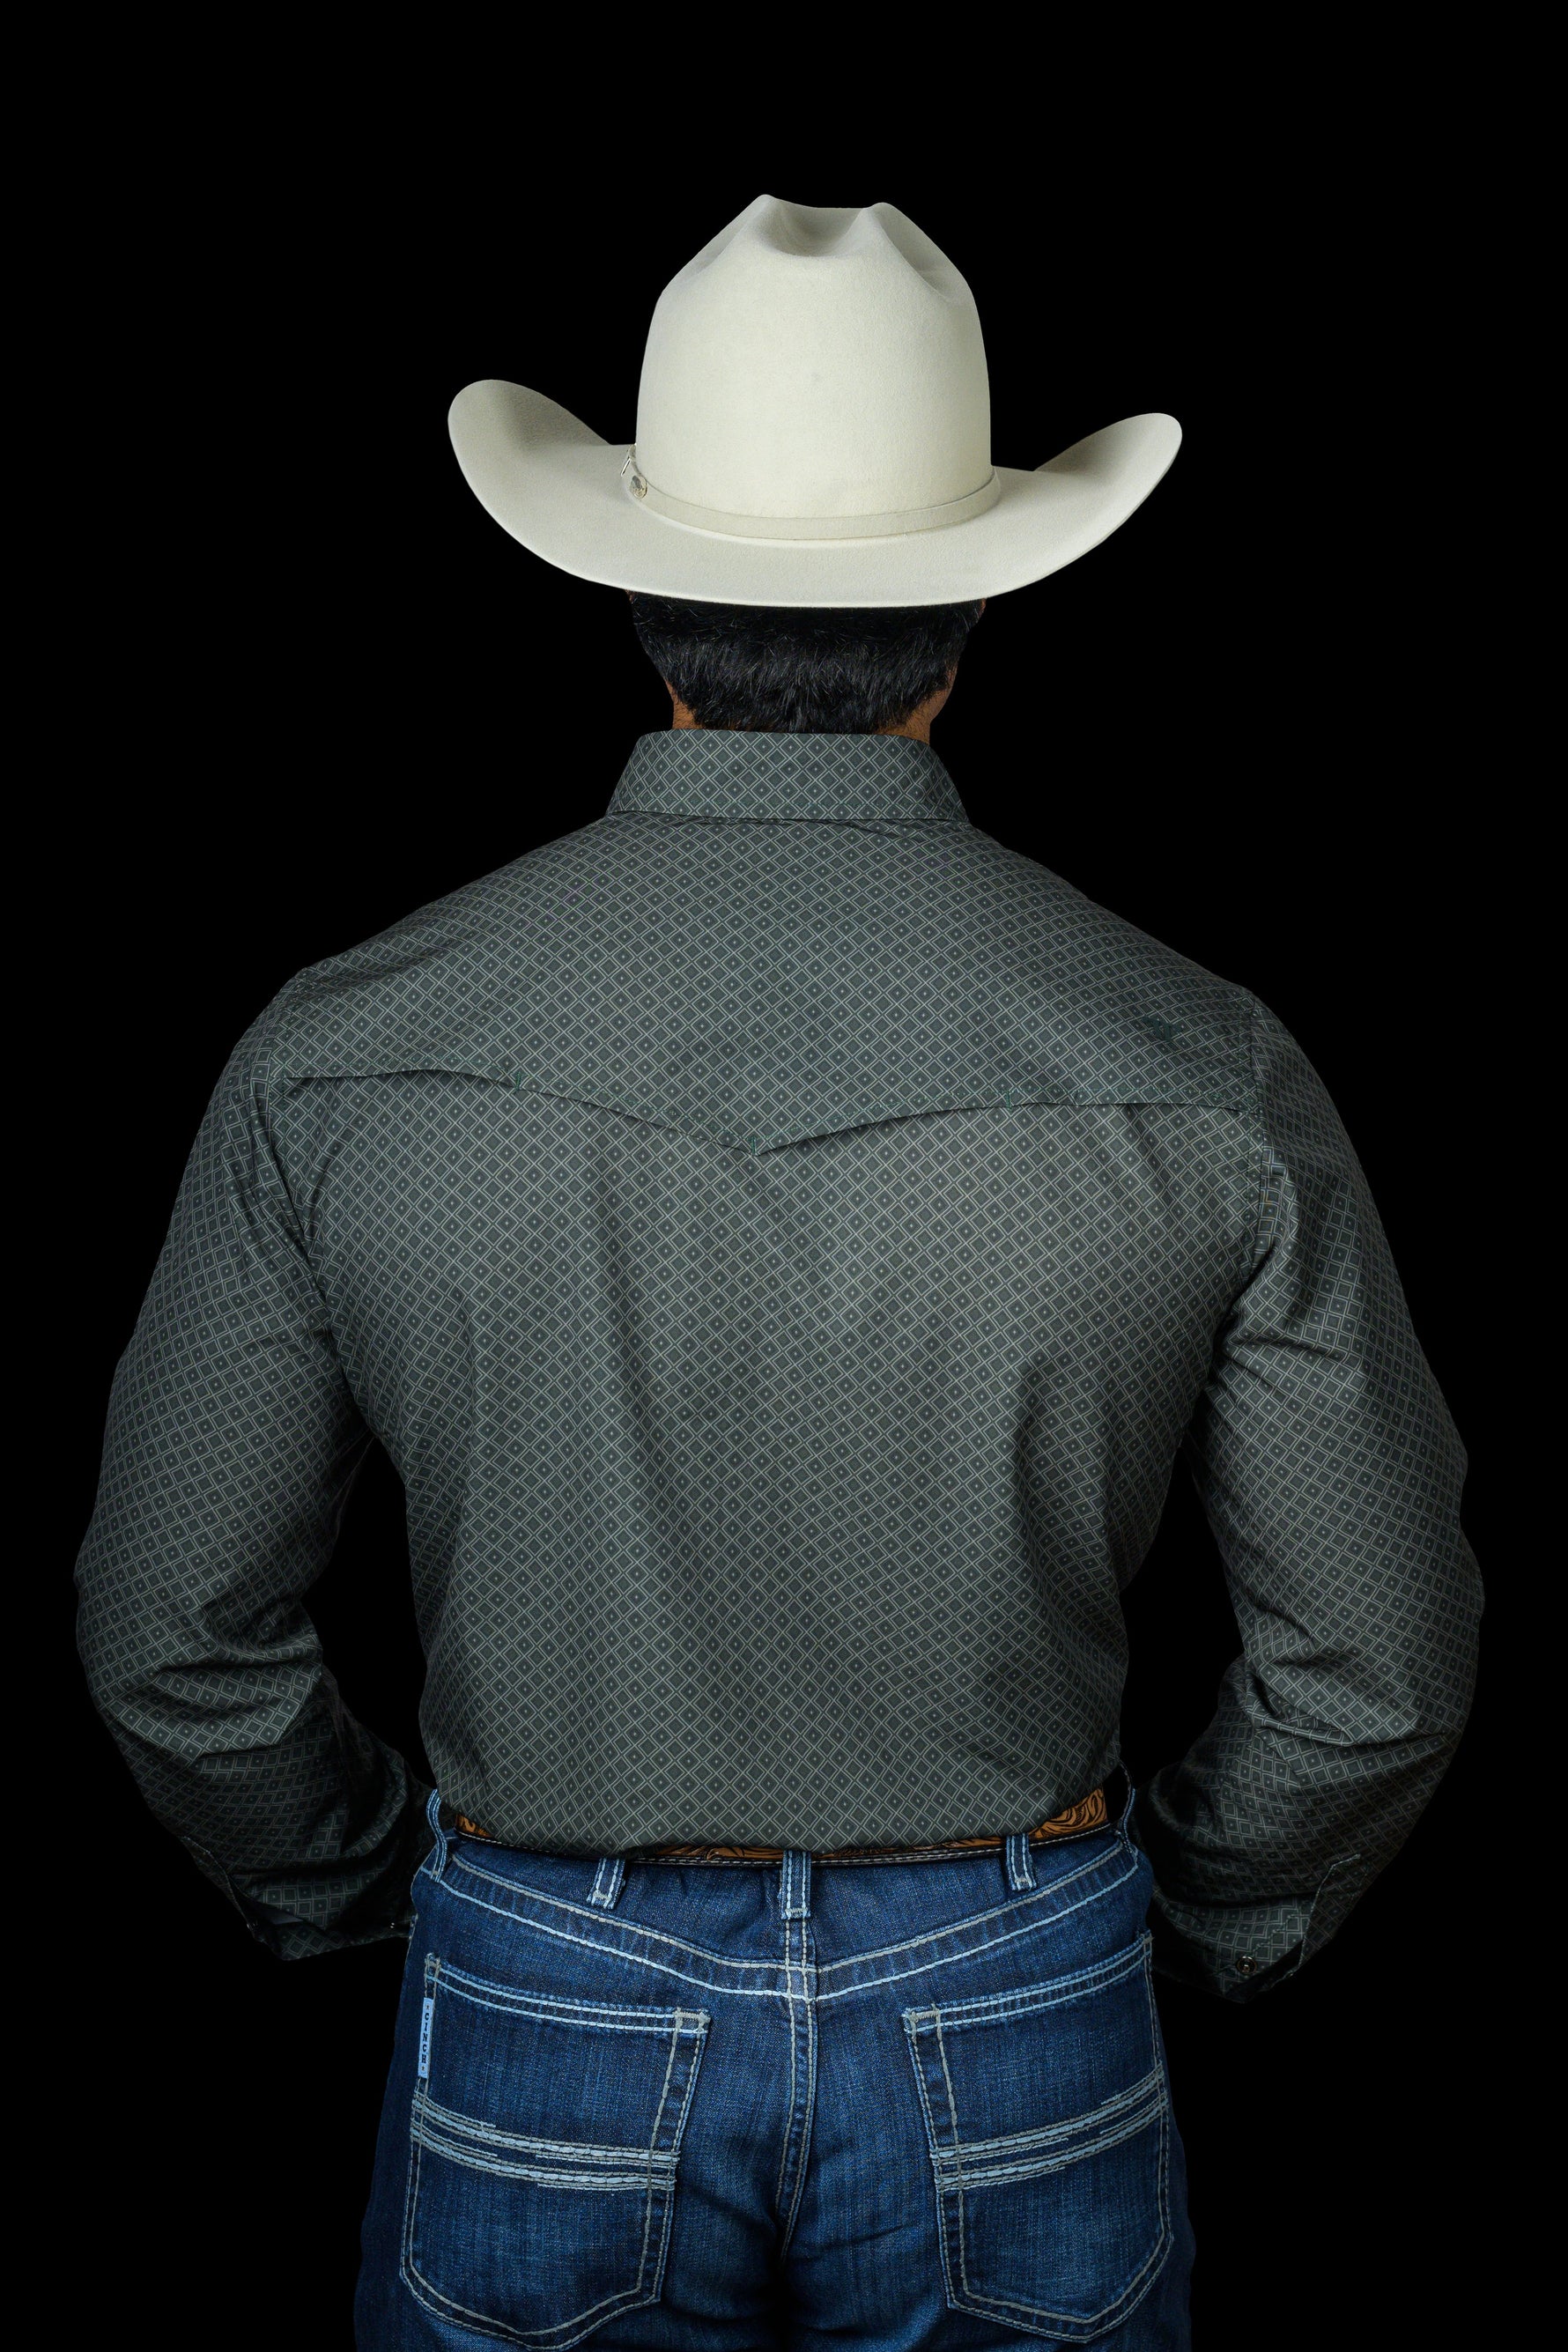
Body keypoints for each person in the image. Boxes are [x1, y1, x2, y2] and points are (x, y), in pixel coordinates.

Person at [74, 196, 1481, 2348]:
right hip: (1018, 1978)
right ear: (973, 612)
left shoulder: (345, 1046)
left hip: (538, 1964)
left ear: (634, 594)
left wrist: (387, 1903)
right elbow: (1372, 1661)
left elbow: (176, 1628)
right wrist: (1172, 1918)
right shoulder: (1193, 1062)